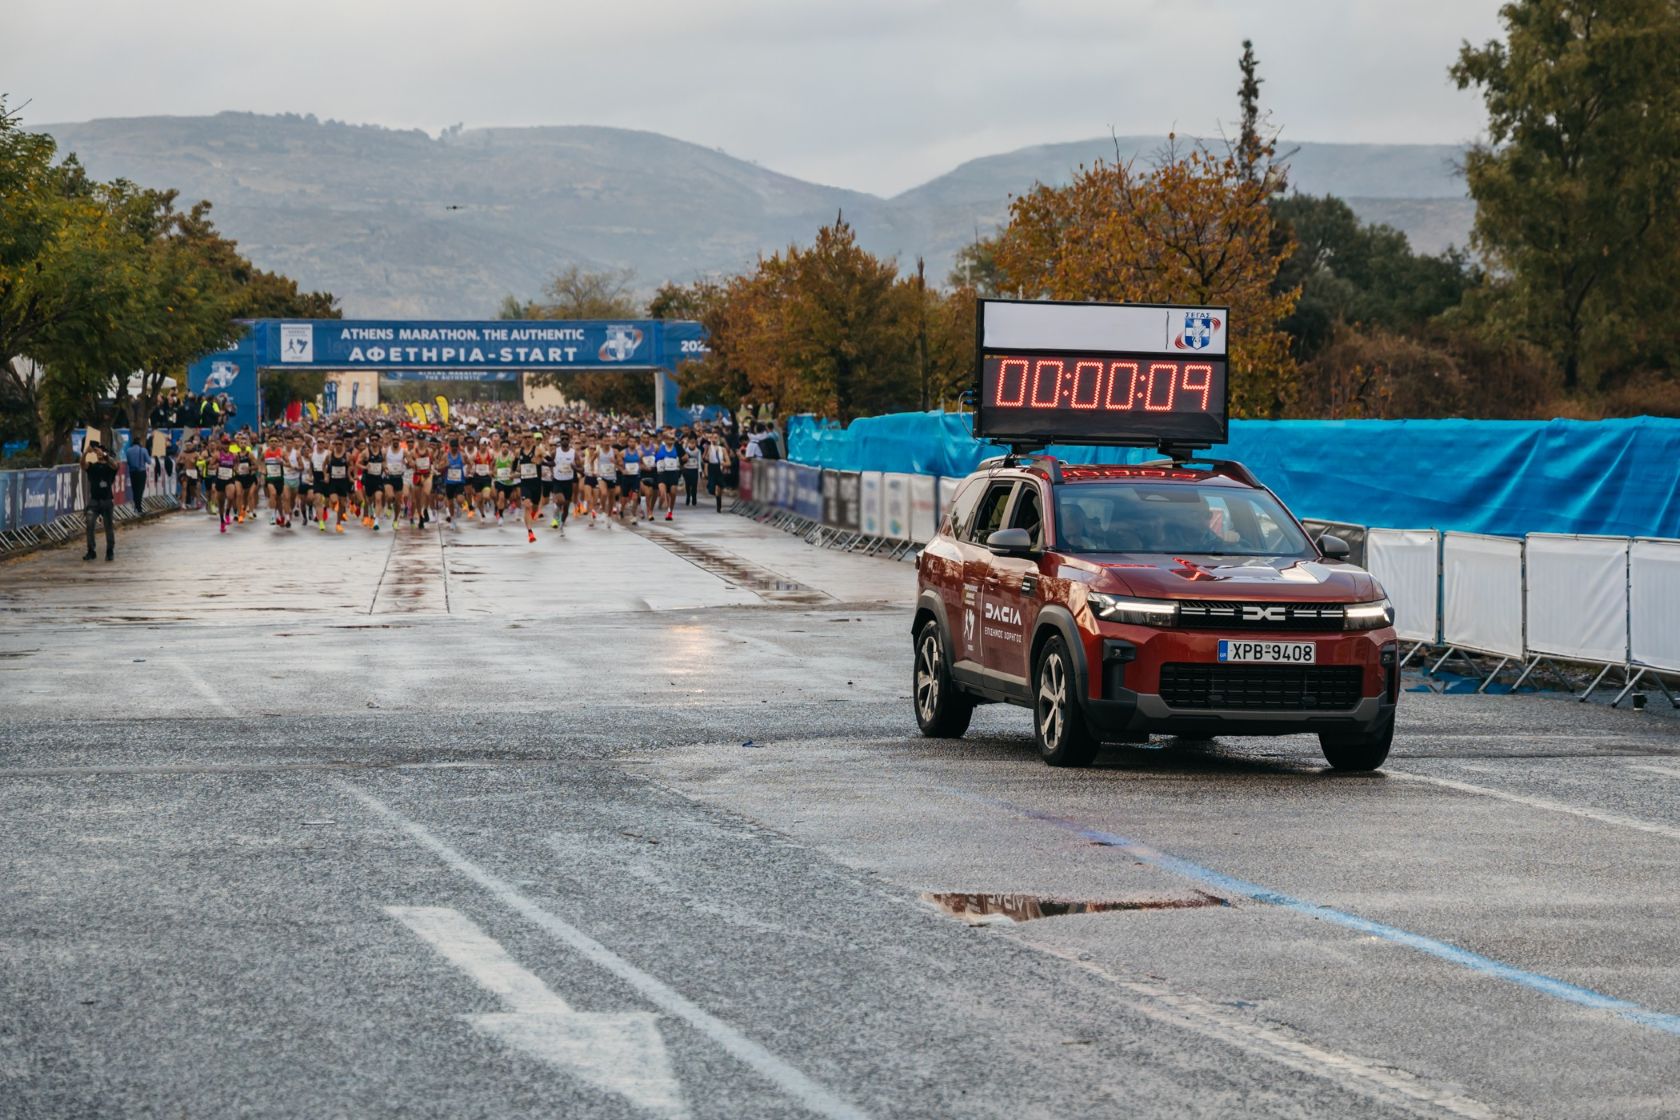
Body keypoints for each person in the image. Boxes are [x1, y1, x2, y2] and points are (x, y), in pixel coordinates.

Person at [83, 441, 119, 561]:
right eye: (97, 451)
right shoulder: (92, 466)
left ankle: (110, 550)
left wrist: (105, 455)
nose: (98, 453)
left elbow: (115, 466)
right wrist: (85, 454)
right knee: (90, 524)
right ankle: (91, 550)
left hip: (107, 500)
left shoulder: (109, 467)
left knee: (108, 527)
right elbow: (83, 465)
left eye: (100, 451)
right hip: (94, 501)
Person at [123, 437, 151, 513]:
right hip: (141, 472)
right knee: (140, 490)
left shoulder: (128, 450)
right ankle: (138, 507)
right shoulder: (143, 450)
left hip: (132, 472)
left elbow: (128, 461)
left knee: (135, 490)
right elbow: (149, 461)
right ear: (139, 442)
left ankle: (136, 506)